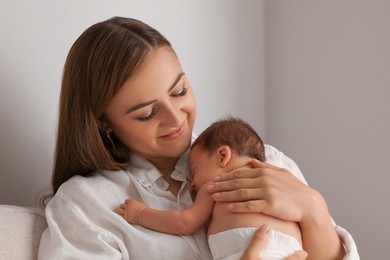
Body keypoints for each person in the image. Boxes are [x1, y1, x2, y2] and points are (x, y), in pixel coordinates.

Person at [38, 16, 358, 259]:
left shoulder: (265, 162)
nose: (177, 118)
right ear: (104, 122)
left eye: (179, 91)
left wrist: (314, 209)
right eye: (147, 113)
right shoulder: (87, 205)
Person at [116, 116, 305, 259]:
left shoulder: (217, 186)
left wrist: (140, 214)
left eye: (195, 170)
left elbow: (185, 222)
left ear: (223, 156)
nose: (193, 183)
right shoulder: (279, 177)